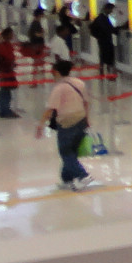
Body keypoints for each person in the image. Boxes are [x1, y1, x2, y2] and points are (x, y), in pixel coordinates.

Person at [35, 59, 91, 191]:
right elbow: (86, 102)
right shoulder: (79, 83)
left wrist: (40, 125)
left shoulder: (59, 88)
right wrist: (87, 119)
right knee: (72, 151)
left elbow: (50, 109)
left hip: (66, 122)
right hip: (81, 119)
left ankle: (83, 175)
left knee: (65, 152)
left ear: (57, 72)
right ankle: (67, 179)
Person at [0, 25, 23, 118]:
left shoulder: (6, 45)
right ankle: (4, 110)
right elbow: (5, 58)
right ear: (7, 35)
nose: (12, 36)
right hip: (5, 71)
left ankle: (5, 109)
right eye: (11, 34)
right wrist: (11, 63)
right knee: (5, 90)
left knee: (6, 90)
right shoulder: (3, 46)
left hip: (7, 70)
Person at [89, 4, 119, 79]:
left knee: (104, 55)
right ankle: (108, 72)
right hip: (104, 40)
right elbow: (107, 29)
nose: (111, 11)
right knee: (106, 55)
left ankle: (104, 71)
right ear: (107, 9)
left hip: (104, 39)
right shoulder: (101, 18)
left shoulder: (102, 17)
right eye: (111, 9)